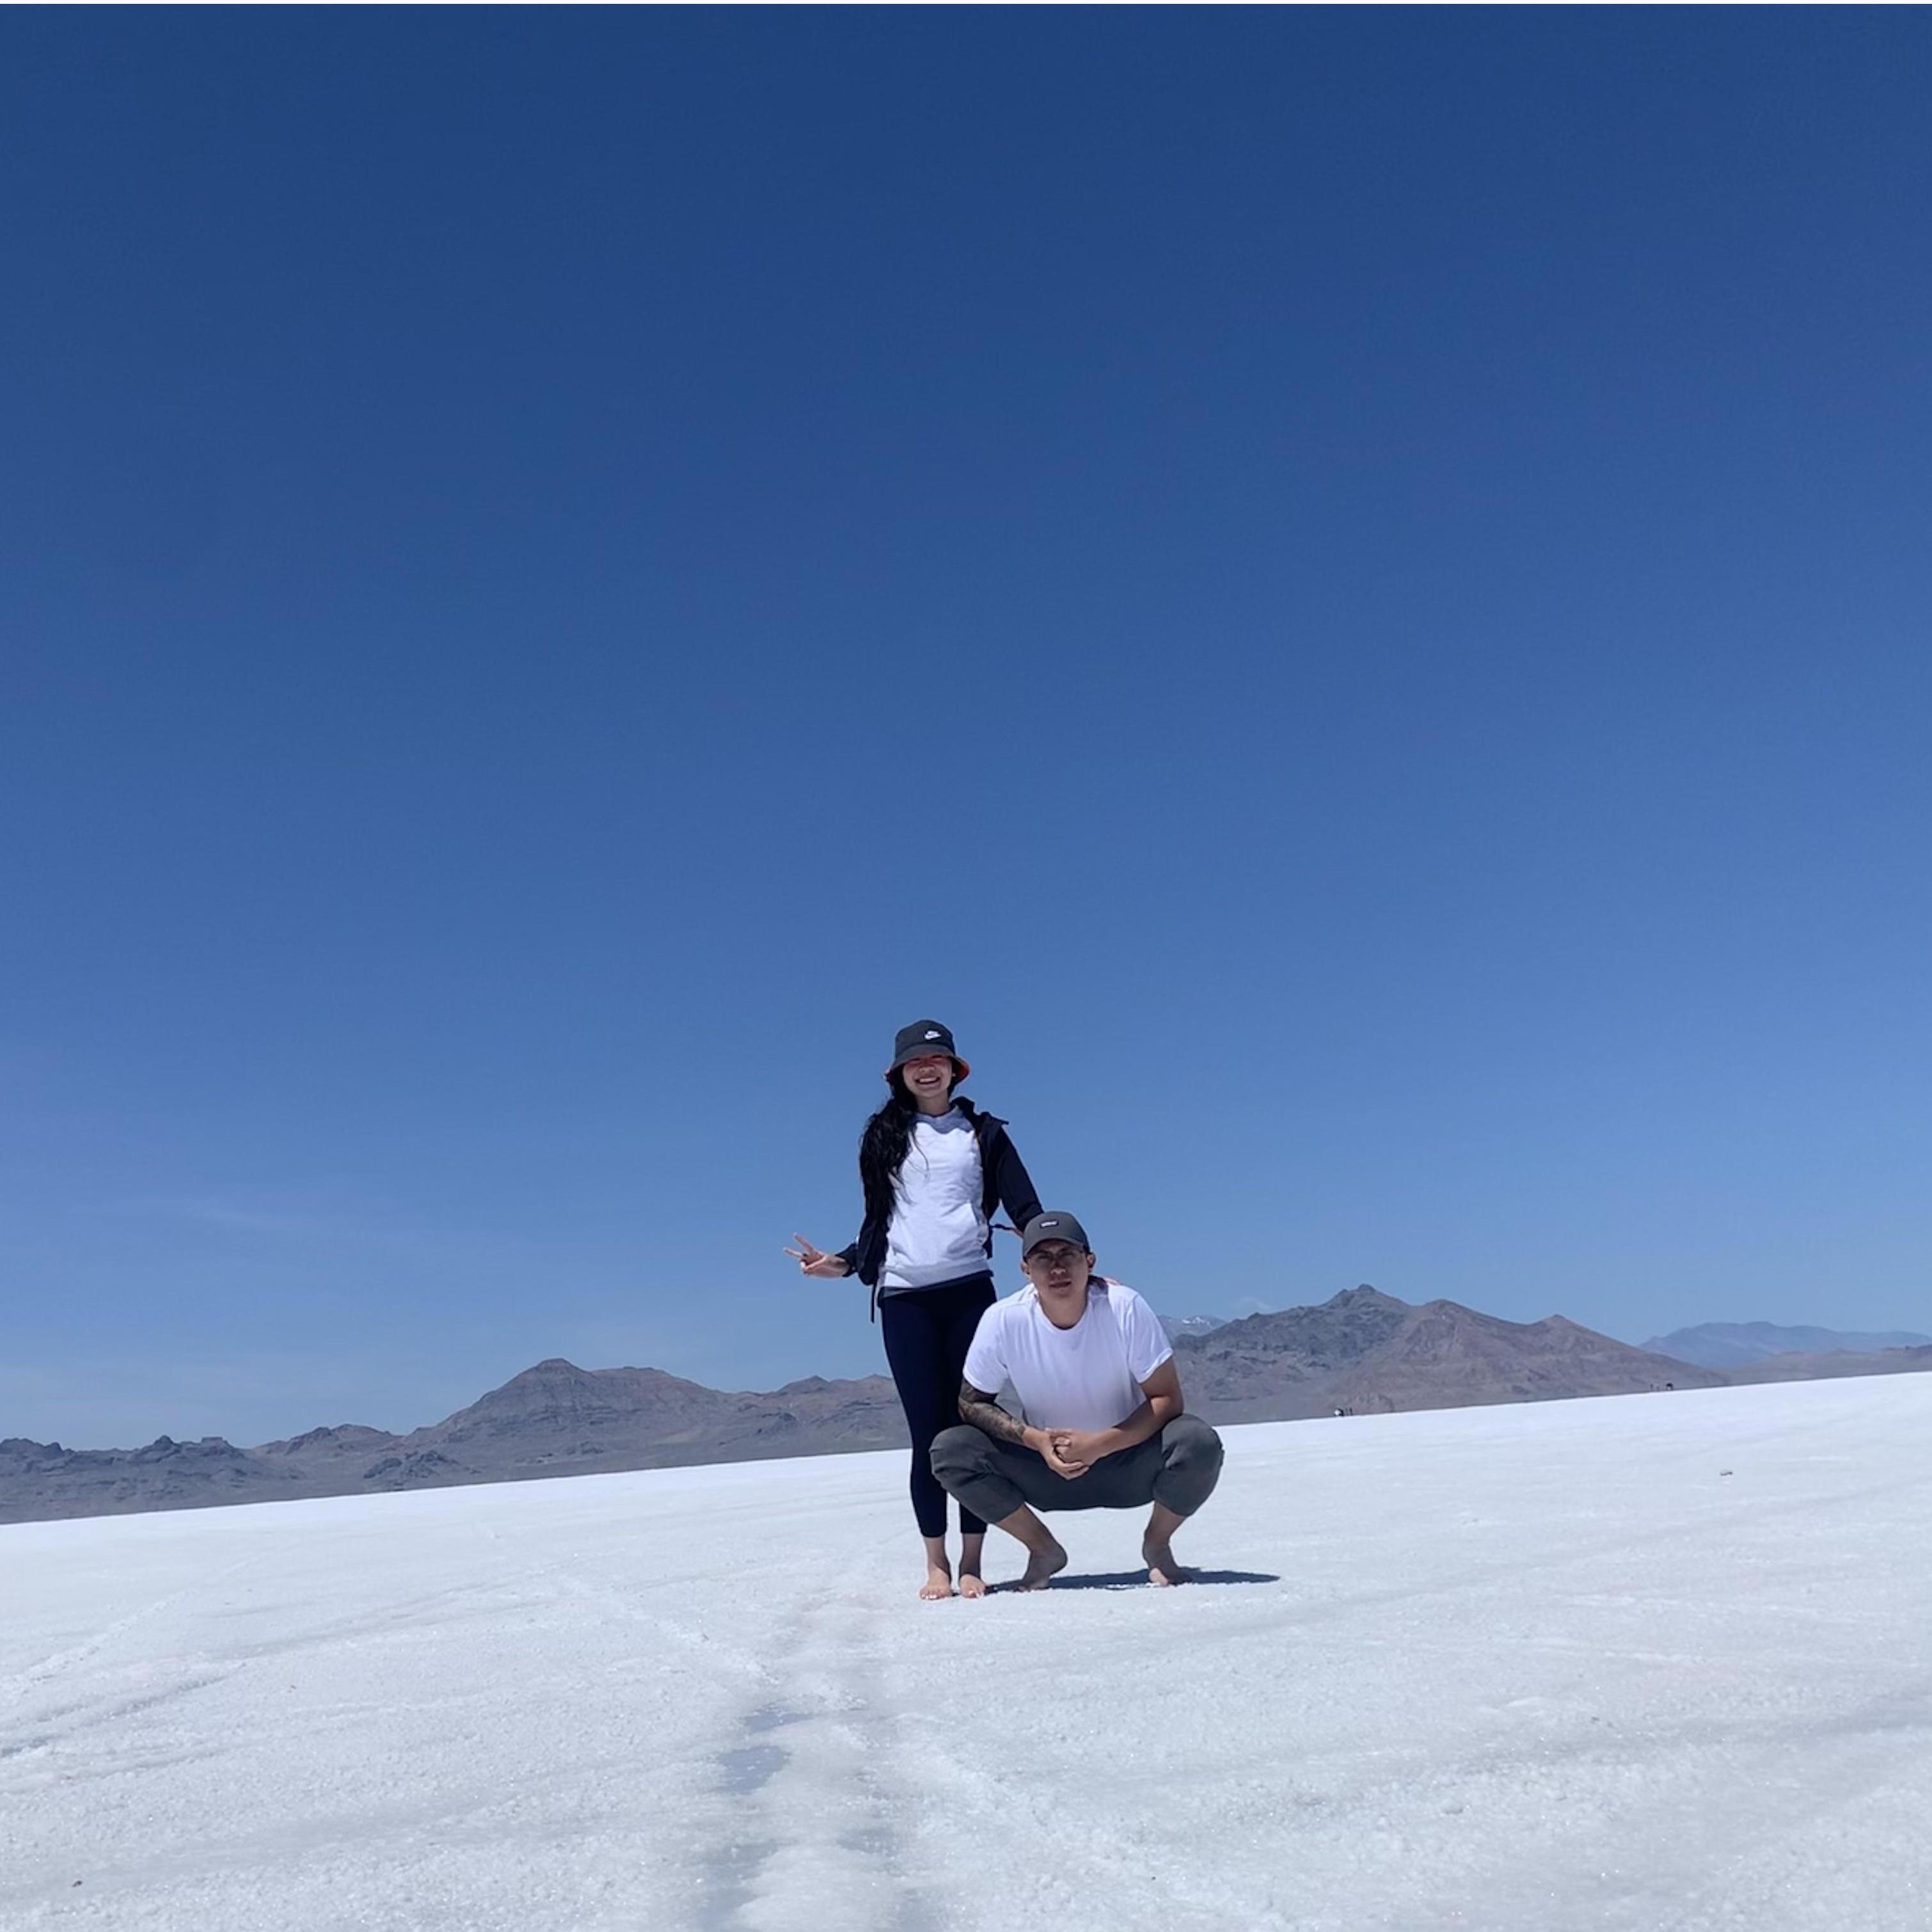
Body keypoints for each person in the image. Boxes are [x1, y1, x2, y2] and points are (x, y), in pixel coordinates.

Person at [787, 1020, 1042, 1601]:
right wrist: (844, 1263)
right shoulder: (883, 1137)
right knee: (928, 1433)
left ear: (955, 1070)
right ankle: (936, 1565)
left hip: (968, 1292)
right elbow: (881, 1223)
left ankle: (973, 1559)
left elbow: (1027, 1208)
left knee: (973, 1426)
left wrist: (1065, 1256)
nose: (927, 1069)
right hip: (905, 1300)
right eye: (915, 1062)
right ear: (899, 1074)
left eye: (937, 1060)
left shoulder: (983, 1134)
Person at [931, 1210, 1224, 1590]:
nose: (1057, 1269)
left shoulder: (1124, 1307)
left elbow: (1167, 1398)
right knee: (952, 1450)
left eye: (1067, 1255)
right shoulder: (1003, 1320)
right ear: (1025, 1269)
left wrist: (1101, 1443)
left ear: (1090, 1261)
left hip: (1128, 1462)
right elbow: (971, 1402)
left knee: (1197, 1443)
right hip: (1047, 1469)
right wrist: (1034, 1440)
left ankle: (1157, 1544)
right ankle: (1043, 1549)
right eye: (1043, 1258)